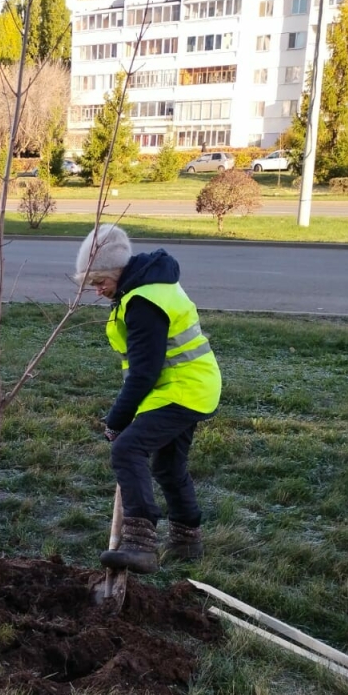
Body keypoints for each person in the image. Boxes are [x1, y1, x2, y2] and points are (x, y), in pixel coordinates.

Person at [75, 224, 221, 573]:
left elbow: (144, 372)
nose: (97, 292)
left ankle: (140, 544)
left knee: (127, 449)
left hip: (183, 389)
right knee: (168, 466)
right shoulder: (144, 287)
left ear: (115, 272)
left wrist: (116, 421)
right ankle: (187, 540)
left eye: (99, 282)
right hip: (181, 387)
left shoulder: (143, 301)